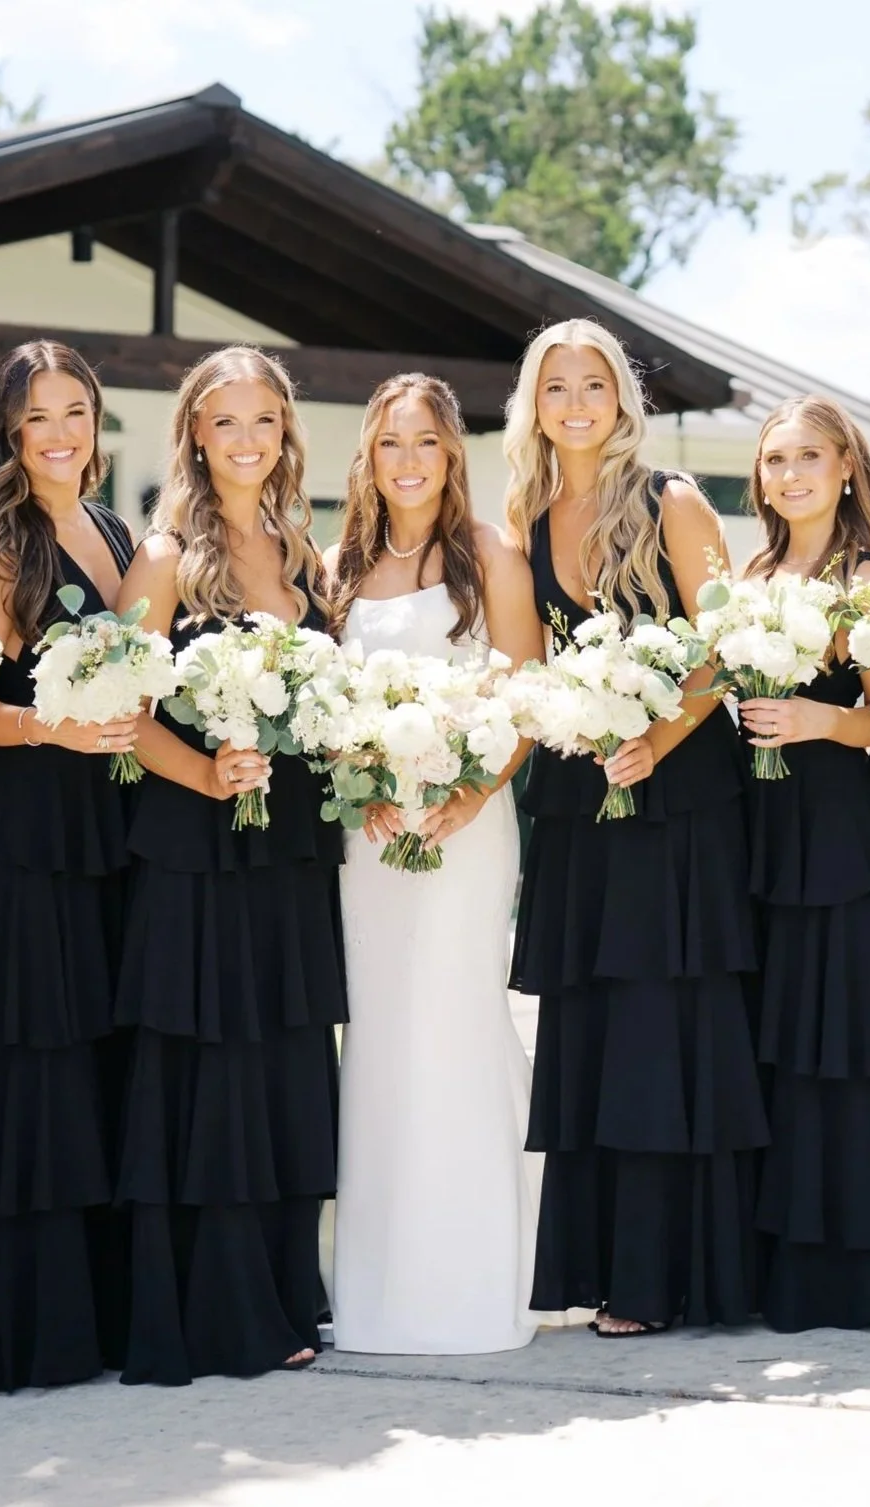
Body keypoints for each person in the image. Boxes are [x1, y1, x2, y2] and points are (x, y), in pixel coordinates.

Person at [507, 319, 768, 1336]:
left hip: (681, 798)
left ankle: (675, 1277)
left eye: (593, 384)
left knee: (670, 1031)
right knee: (600, 1031)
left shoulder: (672, 501)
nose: (575, 403)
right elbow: (525, 671)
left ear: (621, 398)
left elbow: (722, 650)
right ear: (534, 404)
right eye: (555, 386)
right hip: (581, 804)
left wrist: (654, 739)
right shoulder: (526, 519)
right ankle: (608, 1266)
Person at [111, 346, 345, 1383]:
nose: (247, 440)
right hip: (197, 850)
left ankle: (289, 1286)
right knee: (217, 1077)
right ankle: (221, 1308)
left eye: (265, 422)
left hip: (289, 846)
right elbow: (118, 714)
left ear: (284, 434)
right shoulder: (163, 556)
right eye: (227, 423)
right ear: (195, 435)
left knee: (287, 1067)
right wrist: (203, 775)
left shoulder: (304, 552)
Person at [324, 374, 547, 1355]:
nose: (407, 460)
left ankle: (481, 1275)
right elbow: (321, 704)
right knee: (378, 1030)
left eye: (425, 442)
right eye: (389, 444)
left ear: (452, 454)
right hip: (367, 832)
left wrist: (471, 790)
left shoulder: (488, 554)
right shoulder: (337, 564)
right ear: (367, 457)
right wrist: (356, 779)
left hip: (466, 821)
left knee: (453, 1018)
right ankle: (378, 1285)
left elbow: (525, 692)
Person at [0, 341, 141, 1390]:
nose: (60, 433)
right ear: (8, 436)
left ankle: (106, 1310)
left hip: (109, 830)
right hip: (23, 836)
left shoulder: (112, 531)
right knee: (37, 1069)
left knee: (101, 1061)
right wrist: (48, 732)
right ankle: (31, 1325)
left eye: (75, 412)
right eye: (38, 418)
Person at [733, 396, 870, 1332]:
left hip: (838, 836)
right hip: (758, 832)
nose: (790, 474)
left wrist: (816, 720)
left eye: (809, 456)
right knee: (776, 1046)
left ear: (847, 467)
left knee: (837, 1045)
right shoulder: (751, 571)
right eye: (774, 460)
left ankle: (851, 1273)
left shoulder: (866, 574)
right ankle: (781, 1267)